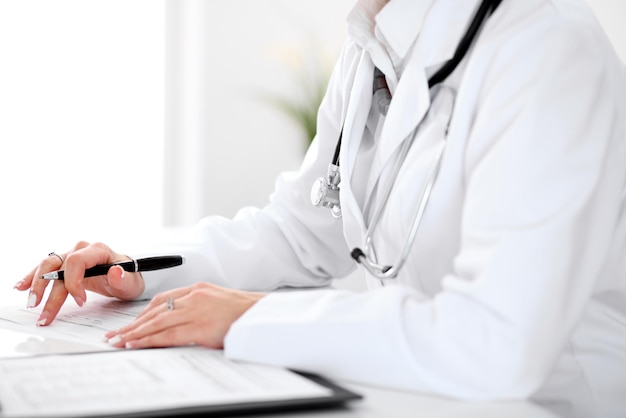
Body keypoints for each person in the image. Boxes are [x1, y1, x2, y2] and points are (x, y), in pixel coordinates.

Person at [14, 0, 625, 417]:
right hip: (423, 393)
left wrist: (248, 319)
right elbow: (298, 232)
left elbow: (498, 343)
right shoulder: (375, 41)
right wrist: (137, 272)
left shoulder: (546, 48)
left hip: (555, 403)